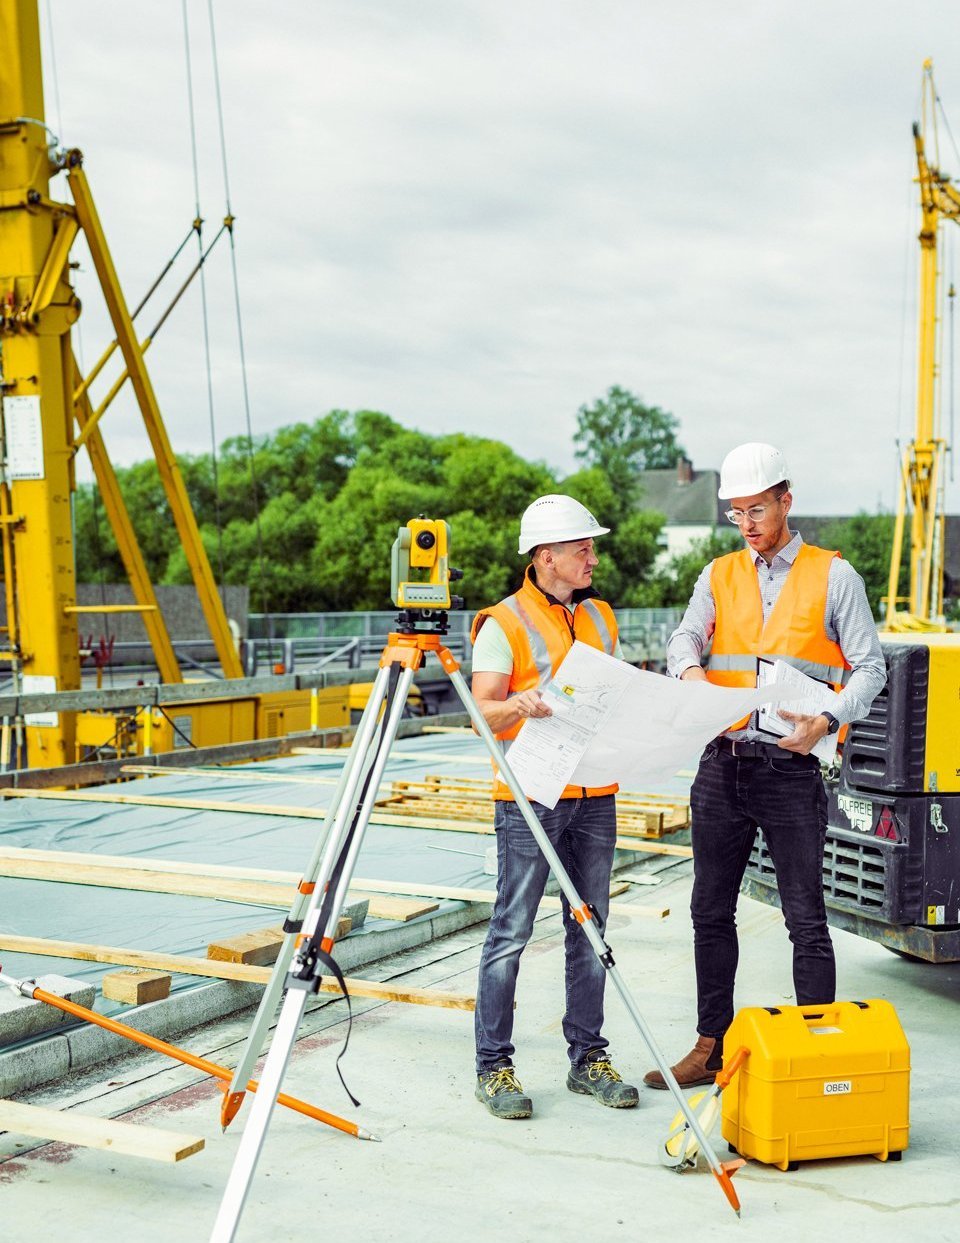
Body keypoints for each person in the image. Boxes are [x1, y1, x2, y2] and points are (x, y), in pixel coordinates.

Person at [644, 443, 886, 1090]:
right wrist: (691, 673)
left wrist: (828, 718)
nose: (746, 522)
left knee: (805, 916)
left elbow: (871, 667)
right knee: (708, 910)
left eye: (756, 508)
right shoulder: (719, 574)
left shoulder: (835, 576)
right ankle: (710, 1046)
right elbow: (685, 637)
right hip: (722, 766)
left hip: (790, 769)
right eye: (735, 512)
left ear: (786, 499)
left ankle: (816, 1054)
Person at [470, 494, 639, 1119]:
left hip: (595, 795)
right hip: (531, 799)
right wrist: (521, 704)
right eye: (582, 548)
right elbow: (480, 712)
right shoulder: (502, 624)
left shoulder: (601, 617)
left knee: (589, 927)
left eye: (592, 547)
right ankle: (494, 1068)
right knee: (511, 932)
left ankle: (588, 1059)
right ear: (547, 557)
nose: (593, 557)